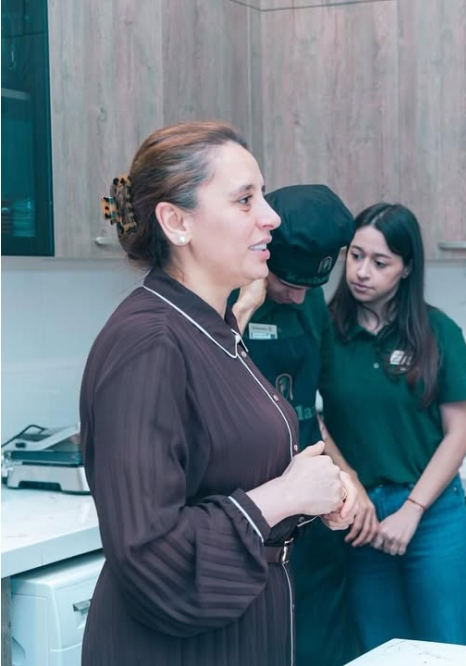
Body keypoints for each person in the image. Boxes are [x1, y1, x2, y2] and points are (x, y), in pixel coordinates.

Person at [79, 121, 358, 666]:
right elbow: (151, 555)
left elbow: (226, 480)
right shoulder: (149, 342)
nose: (271, 217)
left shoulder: (213, 329)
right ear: (177, 222)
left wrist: (313, 494)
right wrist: (285, 496)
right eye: (245, 199)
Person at [323, 203, 466, 651]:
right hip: (360, 517)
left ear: (406, 268)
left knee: (449, 648)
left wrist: (412, 509)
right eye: (355, 256)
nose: (362, 272)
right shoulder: (326, 329)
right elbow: (308, 417)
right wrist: (351, 487)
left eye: (380, 262)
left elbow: (459, 434)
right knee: (380, 649)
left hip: (432, 512)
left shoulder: (438, 331)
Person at [230, 183, 360, 665]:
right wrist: (244, 308)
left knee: (322, 644)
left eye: (312, 286)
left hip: (315, 515)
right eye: (289, 284)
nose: (301, 296)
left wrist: (347, 477)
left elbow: (311, 410)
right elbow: (207, 374)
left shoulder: (311, 303)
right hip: (255, 509)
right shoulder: (230, 300)